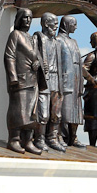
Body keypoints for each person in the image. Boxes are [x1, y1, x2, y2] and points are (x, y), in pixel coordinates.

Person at [4, 8, 45, 155]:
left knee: (31, 112)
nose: (28, 20)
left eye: (30, 18)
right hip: (20, 81)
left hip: (33, 81)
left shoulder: (31, 37)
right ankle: (14, 139)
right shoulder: (15, 35)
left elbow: (37, 56)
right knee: (18, 110)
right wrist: (13, 77)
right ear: (19, 18)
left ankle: (28, 141)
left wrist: (38, 64)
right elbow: (9, 56)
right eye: (25, 17)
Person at [33, 12, 65, 152]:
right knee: (43, 113)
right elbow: (32, 56)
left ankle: (52, 138)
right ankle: (39, 139)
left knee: (56, 113)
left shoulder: (57, 42)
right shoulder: (38, 38)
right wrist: (39, 63)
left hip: (56, 80)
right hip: (43, 80)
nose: (57, 26)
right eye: (54, 22)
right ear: (46, 24)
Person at [57, 15, 85, 148]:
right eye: (74, 24)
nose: (76, 27)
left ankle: (73, 137)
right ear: (67, 25)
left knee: (76, 111)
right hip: (64, 79)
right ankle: (60, 136)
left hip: (76, 79)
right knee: (64, 110)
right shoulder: (57, 40)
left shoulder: (73, 41)